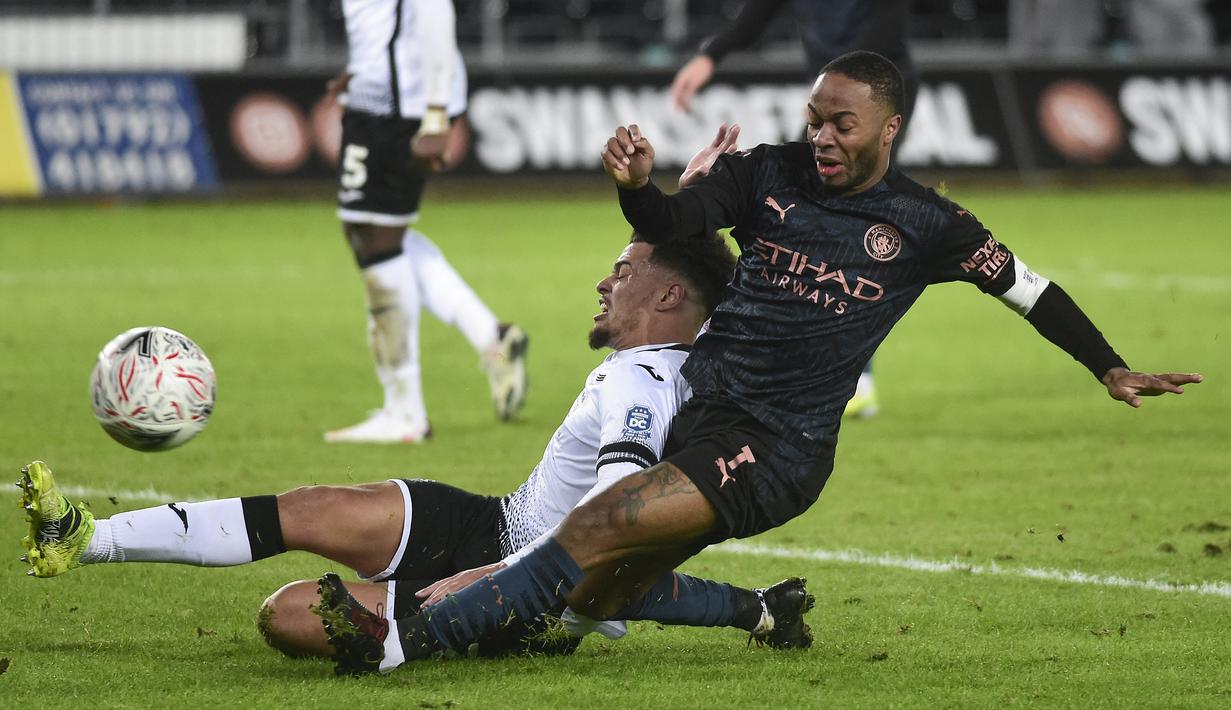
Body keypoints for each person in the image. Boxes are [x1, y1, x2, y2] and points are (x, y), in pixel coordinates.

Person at [321, 50, 1202, 675]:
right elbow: (675, 226)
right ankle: (757, 611)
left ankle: (403, 646)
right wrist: (638, 189)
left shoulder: (927, 226)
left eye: (841, 122)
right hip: (704, 420)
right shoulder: (764, 175)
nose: (820, 134)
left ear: (887, 127)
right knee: (601, 589)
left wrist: (1108, 366)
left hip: (775, 449)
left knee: (593, 526)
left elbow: (1029, 289)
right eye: (813, 116)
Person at [19, 227, 818, 671]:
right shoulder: (677, 353)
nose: (603, 285)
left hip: (523, 585)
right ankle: (84, 540)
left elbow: (609, 518)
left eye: (622, 272)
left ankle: (427, 630)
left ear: (669, 298)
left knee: (289, 615)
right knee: (312, 509)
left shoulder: (641, 384)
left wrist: (497, 581)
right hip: (497, 520)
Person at [671, 0, 919, 418]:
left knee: (831, 222)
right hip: (831, 103)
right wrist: (710, 55)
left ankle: (850, 376)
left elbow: (886, 30)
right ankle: (798, 364)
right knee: (796, 217)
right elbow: (756, 15)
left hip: (874, 101)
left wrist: (838, 87)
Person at [326, 0, 527, 443]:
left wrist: (435, 114)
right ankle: (490, 336)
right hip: (384, 95)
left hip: (402, 106)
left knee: (377, 241)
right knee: (372, 233)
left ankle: (405, 412)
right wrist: (360, 71)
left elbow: (434, 12)